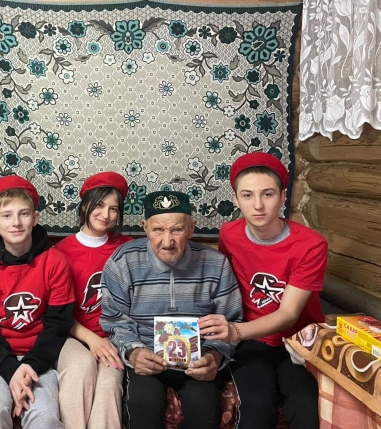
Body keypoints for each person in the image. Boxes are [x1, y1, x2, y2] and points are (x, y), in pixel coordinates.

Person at [199, 152, 328, 429]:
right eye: (247, 195)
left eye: (267, 194)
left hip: (298, 341)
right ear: (236, 199)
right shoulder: (229, 234)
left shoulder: (311, 244)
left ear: (283, 197)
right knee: (256, 406)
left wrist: (234, 331)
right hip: (251, 342)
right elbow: (225, 285)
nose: (258, 205)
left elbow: (289, 314)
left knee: (305, 405)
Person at [100, 190, 243, 429]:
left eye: (177, 230)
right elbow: (115, 320)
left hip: (198, 359)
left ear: (191, 228)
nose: (167, 241)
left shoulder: (216, 263)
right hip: (146, 355)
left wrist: (214, 356)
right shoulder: (123, 261)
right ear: (145, 227)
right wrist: (133, 353)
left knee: (204, 407)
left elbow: (230, 321)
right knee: (143, 406)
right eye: (158, 230)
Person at [0, 175, 75, 429]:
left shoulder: (56, 262)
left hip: (38, 357)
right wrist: (10, 370)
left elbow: (58, 325)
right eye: (6, 216)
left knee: (44, 415)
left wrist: (29, 366)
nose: (16, 223)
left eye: (23, 214)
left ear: (35, 218)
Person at [54, 172, 133, 429]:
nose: (106, 214)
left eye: (113, 208)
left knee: (109, 383)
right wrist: (92, 340)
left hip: (114, 338)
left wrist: (113, 340)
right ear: (84, 205)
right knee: (81, 368)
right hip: (73, 335)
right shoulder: (60, 253)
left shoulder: (127, 248)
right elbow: (58, 313)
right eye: (99, 205)